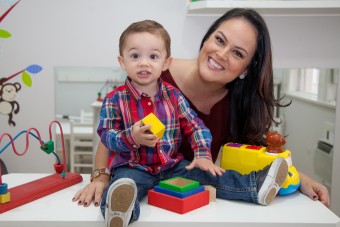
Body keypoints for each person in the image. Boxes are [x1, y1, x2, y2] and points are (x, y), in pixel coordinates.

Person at [74, 7, 329, 215]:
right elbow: (108, 137)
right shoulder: (145, 78)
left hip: (180, 182)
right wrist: (100, 177)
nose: (221, 53)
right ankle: (121, 209)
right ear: (206, 38)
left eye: (238, 53)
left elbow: (248, 147)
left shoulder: (220, 103)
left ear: (246, 69)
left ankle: (257, 186)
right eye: (219, 40)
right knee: (123, 189)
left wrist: (296, 179)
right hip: (130, 174)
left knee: (212, 175)